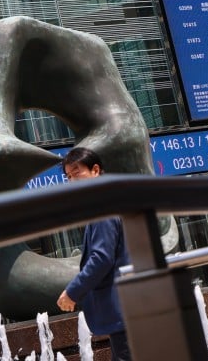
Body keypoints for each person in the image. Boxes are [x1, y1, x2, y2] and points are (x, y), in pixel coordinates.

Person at [56, 147, 132, 361]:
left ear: (95, 170)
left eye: (76, 172)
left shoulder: (103, 207)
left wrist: (72, 292)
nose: (71, 180)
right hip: (126, 311)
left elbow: (101, 258)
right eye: (68, 176)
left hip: (123, 312)